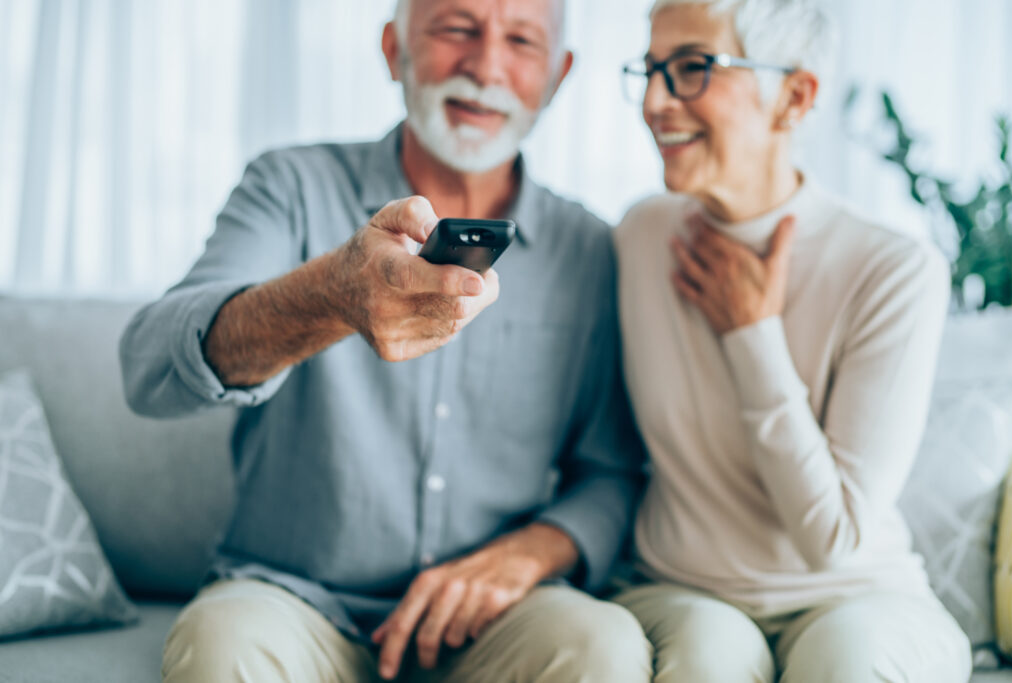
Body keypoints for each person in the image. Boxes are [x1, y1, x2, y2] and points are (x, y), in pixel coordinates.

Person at [119, 0, 650, 681]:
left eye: (521, 40)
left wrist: (534, 551)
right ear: (392, 47)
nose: (486, 66)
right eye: (455, 28)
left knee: (600, 643)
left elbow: (612, 469)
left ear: (558, 74)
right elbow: (147, 371)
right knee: (223, 640)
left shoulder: (591, 249)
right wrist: (326, 295)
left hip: (492, 620)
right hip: (293, 600)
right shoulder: (290, 185)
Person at [612, 0, 973, 681]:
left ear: (795, 96)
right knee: (704, 660)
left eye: (692, 67)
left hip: (858, 595)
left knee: (847, 663)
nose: (656, 101)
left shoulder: (894, 269)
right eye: (652, 69)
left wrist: (751, 333)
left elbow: (831, 538)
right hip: (681, 588)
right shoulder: (639, 236)